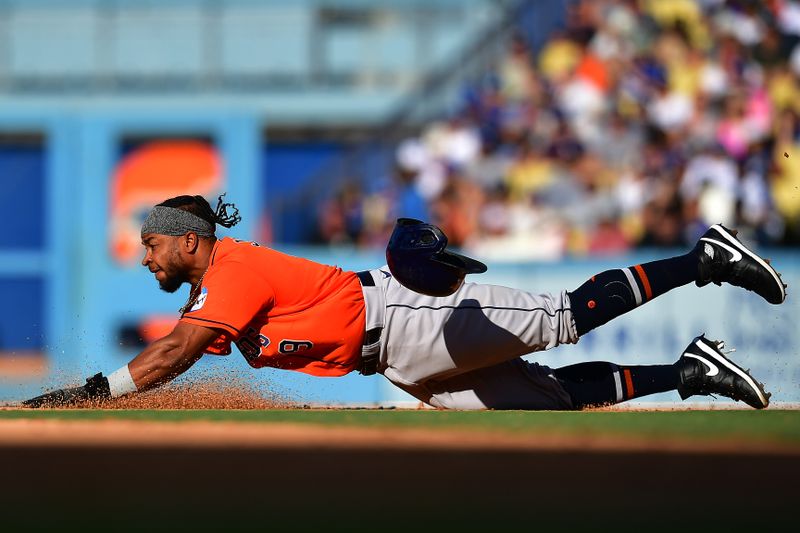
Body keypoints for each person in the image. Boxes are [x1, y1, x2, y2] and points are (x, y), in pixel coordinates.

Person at [23, 194, 786, 410]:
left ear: (186, 239)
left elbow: (170, 356)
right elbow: (185, 355)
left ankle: (703, 257)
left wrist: (87, 395)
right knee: (549, 403)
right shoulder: (215, 287)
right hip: (398, 363)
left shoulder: (235, 268)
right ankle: (691, 372)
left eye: (152, 243)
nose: (146, 255)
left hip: (409, 318)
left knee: (561, 317)